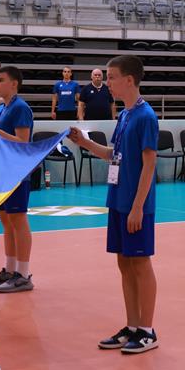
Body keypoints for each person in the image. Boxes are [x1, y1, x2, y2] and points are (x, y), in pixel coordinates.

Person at [69, 56, 161, 353]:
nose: (107, 82)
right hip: (118, 199)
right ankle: (132, 326)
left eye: (111, 77)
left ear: (129, 80)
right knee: (124, 262)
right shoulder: (124, 115)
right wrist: (85, 143)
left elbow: (149, 164)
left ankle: (147, 330)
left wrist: (138, 207)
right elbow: (114, 154)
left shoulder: (146, 116)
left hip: (136, 204)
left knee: (140, 263)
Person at [0, 65, 34, 294]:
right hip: (2, 172)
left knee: (18, 219)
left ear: (14, 83)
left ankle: (23, 274)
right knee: (6, 220)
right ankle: (10, 268)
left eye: (0, 80)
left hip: (17, 172)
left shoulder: (20, 108)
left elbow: (23, 142)